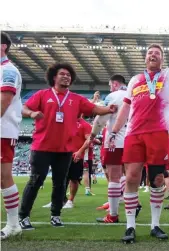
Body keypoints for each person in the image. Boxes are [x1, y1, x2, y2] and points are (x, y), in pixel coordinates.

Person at [18, 62, 117, 230]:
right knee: (35, 181)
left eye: (69, 75)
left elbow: (94, 109)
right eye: (62, 74)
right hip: (41, 147)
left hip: (64, 149)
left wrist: (109, 108)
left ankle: (55, 215)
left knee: (60, 183)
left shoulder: (76, 99)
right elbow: (24, 108)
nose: (66, 76)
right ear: (54, 77)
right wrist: (31, 113)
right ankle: (23, 216)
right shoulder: (42, 94)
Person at [111, 40, 169, 243]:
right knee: (132, 178)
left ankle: (155, 225)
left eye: (157, 53)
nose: (152, 55)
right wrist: (114, 131)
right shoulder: (135, 80)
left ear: (162, 58)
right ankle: (130, 227)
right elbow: (125, 109)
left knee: (157, 180)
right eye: (149, 52)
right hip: (134, 134)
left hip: (159, 133)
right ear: (145, 57)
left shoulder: (168, 76)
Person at [86, 74, 135, 223]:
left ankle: (112, 215)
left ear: (114, 84)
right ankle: (135, 205)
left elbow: (100, 120)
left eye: (110, 85)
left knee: (114, 177)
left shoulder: (113, 96)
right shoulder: (136, 93)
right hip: (134, 139)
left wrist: (93, 135)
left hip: (116, 139)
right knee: (130, 176)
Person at [1, 31, 23, 239]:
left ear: (3, 46)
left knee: (3, 176)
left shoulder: (8, 70)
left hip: (3, 131)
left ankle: (14, 224)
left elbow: (5, 100)